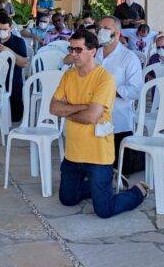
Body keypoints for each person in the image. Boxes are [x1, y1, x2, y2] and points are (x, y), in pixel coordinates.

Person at [50, 29, 148, 218]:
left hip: (98, 154)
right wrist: (83, 107)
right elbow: (53, 108)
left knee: (104, 210)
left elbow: (91, 117)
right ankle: (106, 182)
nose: (73, 54)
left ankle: (138, 191)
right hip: (73, 153)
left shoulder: (104, 78)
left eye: (78, 50)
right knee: (67, 199)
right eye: (71, 49)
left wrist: (67, 111)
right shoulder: (68, 76)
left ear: (92, 51)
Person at [94, 17, 144, 178]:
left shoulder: (129, 58)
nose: (101, 31)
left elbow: (136, 90)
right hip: (92, 118)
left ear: (117, 33)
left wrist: (109, 91)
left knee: (118, 170)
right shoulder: (94, 54)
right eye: (99, 28)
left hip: (118, 122)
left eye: (106, 28)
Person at [0, 13, 28, 122]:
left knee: (15, 117)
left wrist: (9, 52)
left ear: (11, 28)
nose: (1, 31)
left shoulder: (19, 41)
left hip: (13, 82)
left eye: (4, 29)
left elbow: (23, 63)